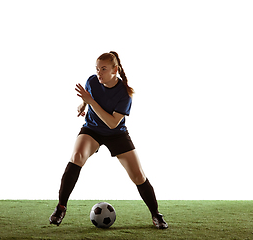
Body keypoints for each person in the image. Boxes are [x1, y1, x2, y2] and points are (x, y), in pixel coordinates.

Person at [49, 51, 168, 229]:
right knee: (77, 156)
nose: (99, 73)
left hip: (116, 133)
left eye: (103, 69)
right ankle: (61, 208)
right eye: (97, 69)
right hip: (92, 129)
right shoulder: (92, 81)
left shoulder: (125, 94)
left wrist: (90, 101)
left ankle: (156, 214)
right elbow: (89, 98)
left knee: (138, 175)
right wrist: (83, 105)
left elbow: (113, 123)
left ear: (115, 70)